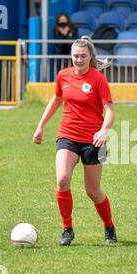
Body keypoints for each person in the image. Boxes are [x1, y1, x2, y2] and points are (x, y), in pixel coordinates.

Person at [33, 36, 117, 246]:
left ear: (90, 57)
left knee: (93, 191)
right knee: (62, 179)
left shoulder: (98, 79)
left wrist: (104, 131)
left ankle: (109, 226)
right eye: (75, 56)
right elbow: (57, 100)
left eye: (83, 56)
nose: (78, 60)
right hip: (67, 135)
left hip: (93, 140)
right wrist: (41, 125)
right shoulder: (63, 76)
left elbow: (110, 111)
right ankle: (67, 229)